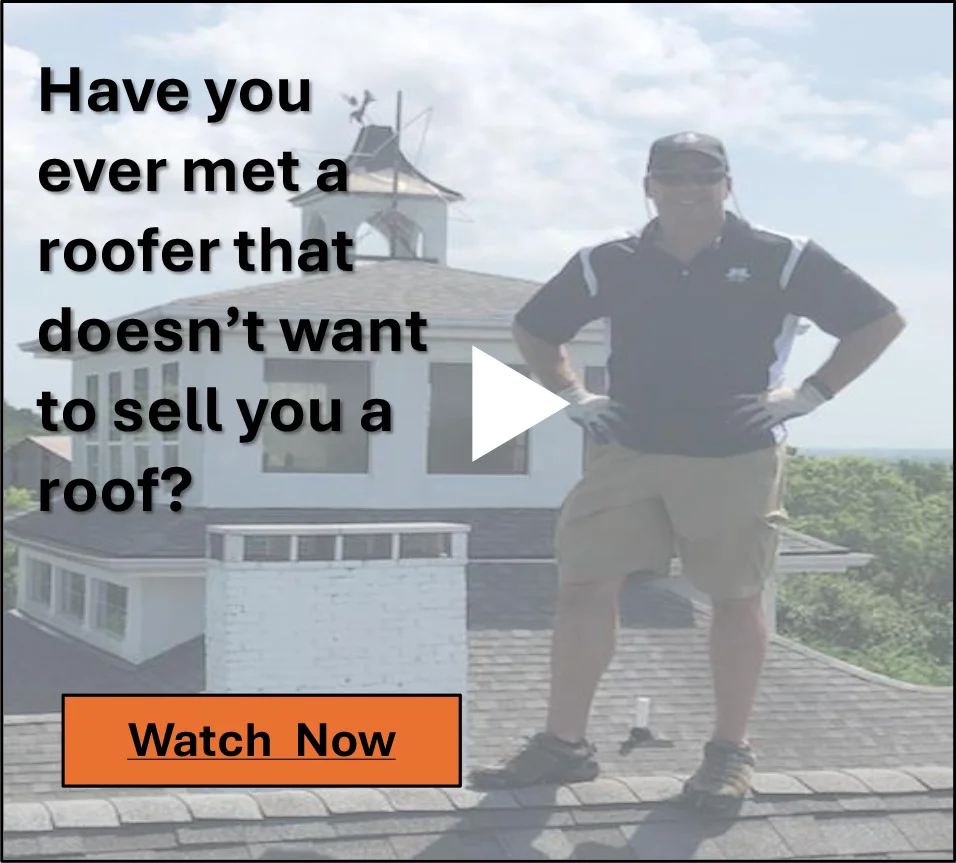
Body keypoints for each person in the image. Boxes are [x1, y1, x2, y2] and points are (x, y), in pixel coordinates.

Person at [468, 131, 906, 806]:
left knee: (734, 599)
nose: (688, 188)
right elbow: (536, 327)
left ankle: (729, 752)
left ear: (728, 184)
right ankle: (564, 745)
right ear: (649, 186)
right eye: (672, 176)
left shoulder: (780, 257)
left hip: (734, 453)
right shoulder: (607, 261)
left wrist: (811, 394)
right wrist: (573, 395)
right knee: (584, 586)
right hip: (626, 448)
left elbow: (878, 320)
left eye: (705, 176)